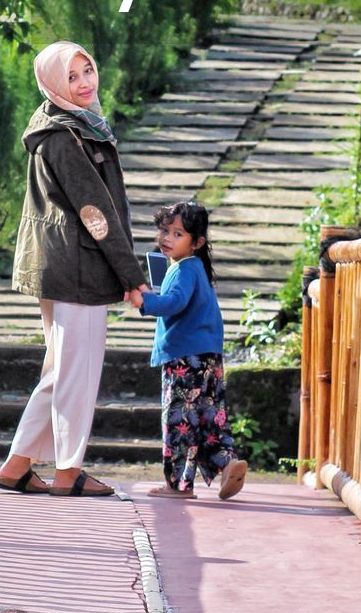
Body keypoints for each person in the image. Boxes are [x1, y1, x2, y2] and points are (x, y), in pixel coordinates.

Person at [0, 40, 148, 498]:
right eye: (72, 77)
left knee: (60, 369)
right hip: (77, 269)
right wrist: (131, 276)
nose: (84, 84)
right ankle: (68, 471)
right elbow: (95, 211)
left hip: (65, 266)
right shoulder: (63, 136)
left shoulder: (71, 127)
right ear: (53, 85)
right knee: (76, 374)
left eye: (88, 71)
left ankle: (17, 465)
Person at [129, 201, 248, 501]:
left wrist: (145, 301)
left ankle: (178, 485)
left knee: (180, 420)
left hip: (185, 359)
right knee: (208, 417)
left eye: (178, 233)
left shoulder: (184, 270)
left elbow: (173, 303)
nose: (167, 238)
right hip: (208, 357)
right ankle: (228, 462)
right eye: (165, 231)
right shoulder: (195, 268)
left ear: (197, 242)